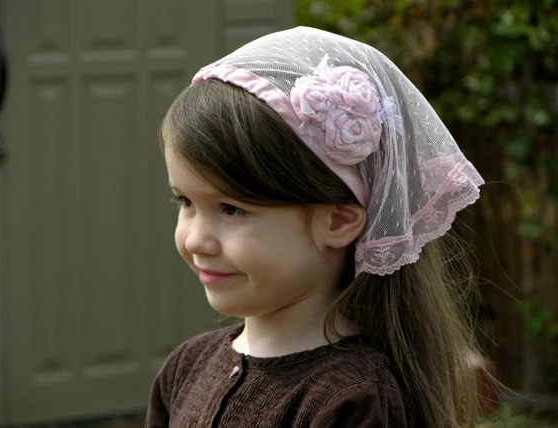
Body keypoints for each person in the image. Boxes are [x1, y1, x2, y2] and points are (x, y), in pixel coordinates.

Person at [146, 26, 485, 427]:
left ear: (337, 221)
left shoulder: (354, 401)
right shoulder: (186, 368)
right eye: (185, 202)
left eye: (232, 209)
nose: (197, 240)